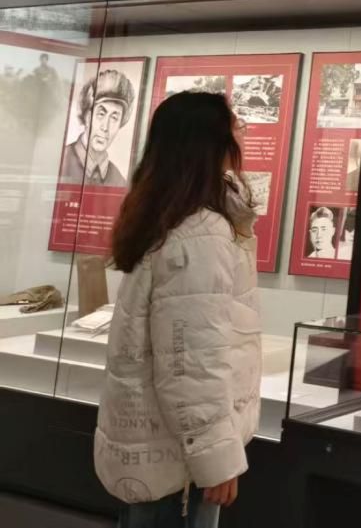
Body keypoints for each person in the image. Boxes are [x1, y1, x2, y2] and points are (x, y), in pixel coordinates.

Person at [94, 91, 260, 526]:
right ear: (210, 142)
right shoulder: (200, 232)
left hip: (165, 451)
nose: (242, 133)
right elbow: (191, 362)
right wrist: (216, 458)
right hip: (178, 465)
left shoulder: (169, 216)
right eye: (235, 126)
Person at [60, 67, 136, 187]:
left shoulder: (118, 180)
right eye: (101, 114)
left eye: (114, 118)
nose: (105, 127)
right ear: (87, 116)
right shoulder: (61, 161)